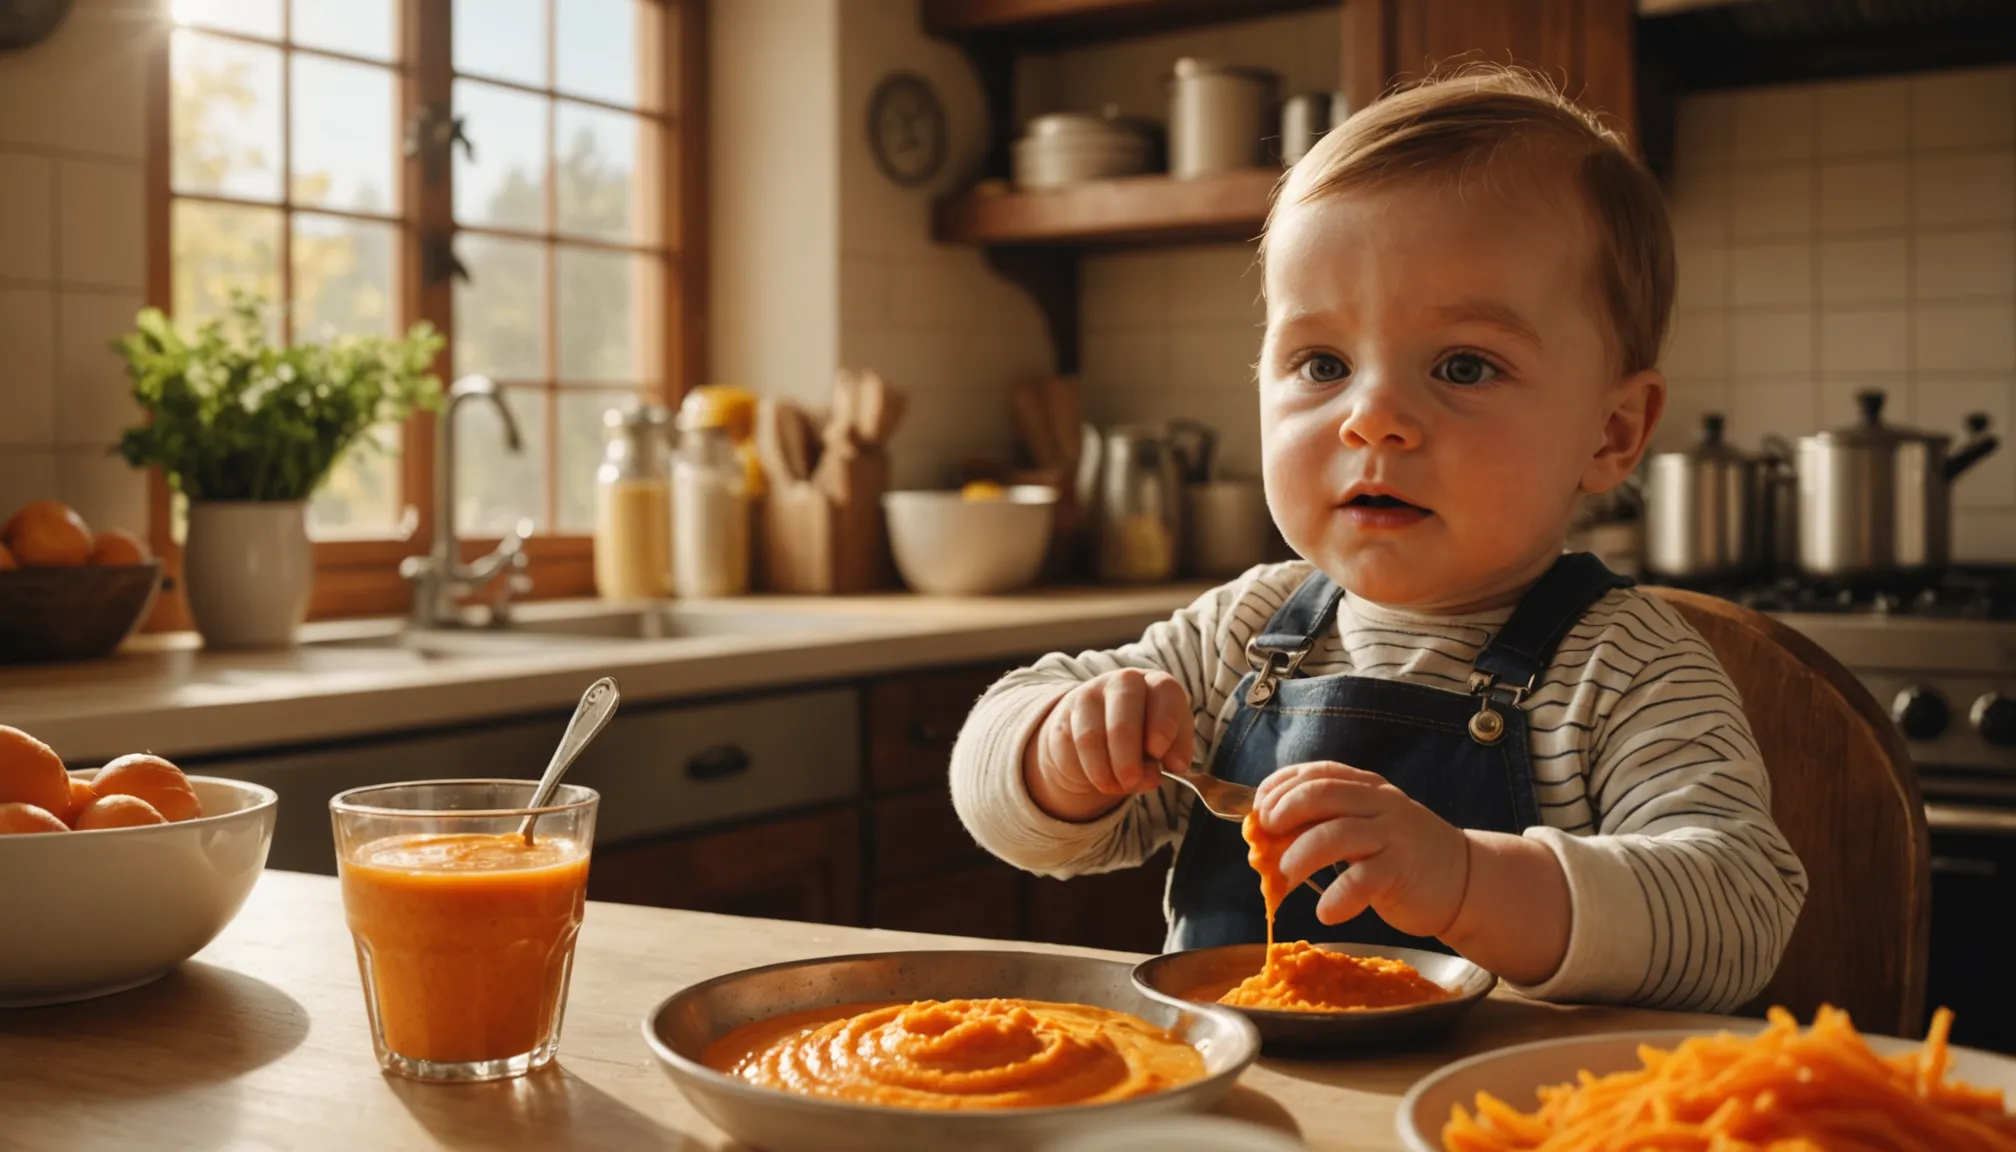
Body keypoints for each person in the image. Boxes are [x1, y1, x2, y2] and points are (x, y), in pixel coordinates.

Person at [950, 67, 1807, 1012]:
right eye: (1322, 363)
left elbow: (1737, 912)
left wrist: (1468, 883)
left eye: (1464, 365)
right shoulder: (1245, 633)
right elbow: (1001, 797)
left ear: (1611, 433)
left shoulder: (1627, 666)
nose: (1375, 419)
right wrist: (1055, 751)